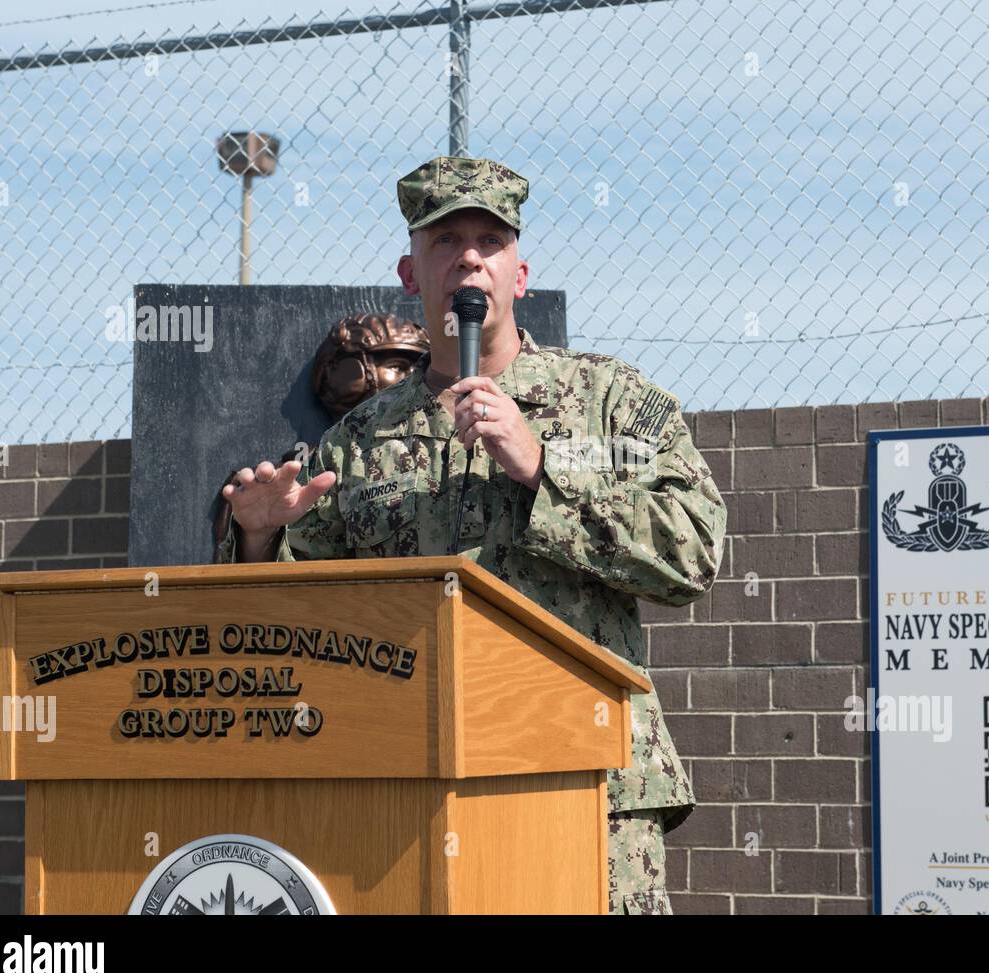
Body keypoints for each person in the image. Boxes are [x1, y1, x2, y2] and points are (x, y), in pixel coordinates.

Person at [216, 155, 726, 914]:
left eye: (491, 240)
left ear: (519, 274)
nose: (470, 256)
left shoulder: (609, 402)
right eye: (446, 239)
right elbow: (294, 628)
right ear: (412, 274)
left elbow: (693, 551)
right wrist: (257, 540)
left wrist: (541, 467)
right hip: (409, 793)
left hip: (587, 785)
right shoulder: (356, 443)